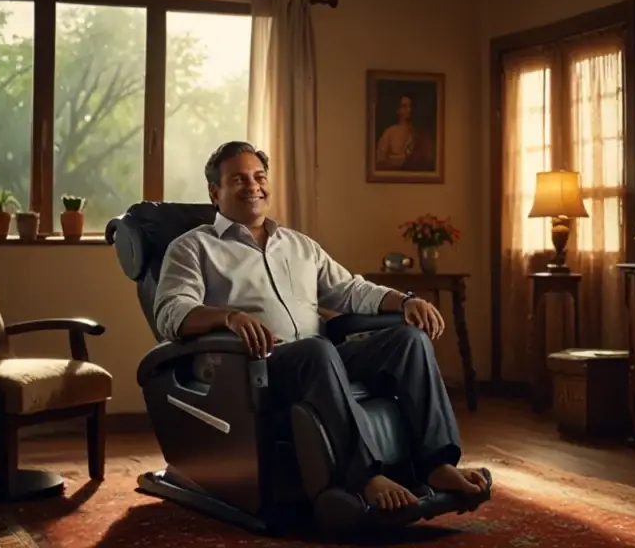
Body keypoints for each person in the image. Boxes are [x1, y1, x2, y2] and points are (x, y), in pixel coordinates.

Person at [153, 141, 488, 511]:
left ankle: (437, 463)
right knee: (318, 350)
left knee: (409, 340)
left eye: (260, 177)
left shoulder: (299, 245)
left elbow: (349, 290)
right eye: (238, 179)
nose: (254, 186)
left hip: (320, 360)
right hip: (252, 366)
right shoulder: (193, 248)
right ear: (215, 192)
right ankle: (362, 478)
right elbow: (172, 312)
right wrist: (228, 317)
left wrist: (406, 301)